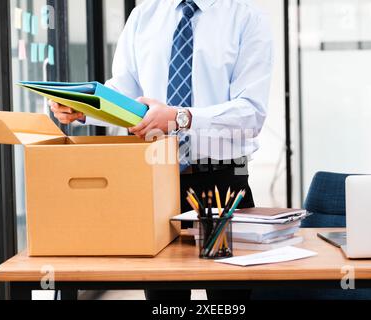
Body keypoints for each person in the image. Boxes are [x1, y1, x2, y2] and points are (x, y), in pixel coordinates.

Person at [50, 0, 273, 300]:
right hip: (156, 182)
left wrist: (180, 117)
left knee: (229, 301)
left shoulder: (247, 18)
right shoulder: (144, 15)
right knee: (164, 303)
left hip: (220, 185)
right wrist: (83, 108)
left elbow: (251, 112)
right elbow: (124, 93)